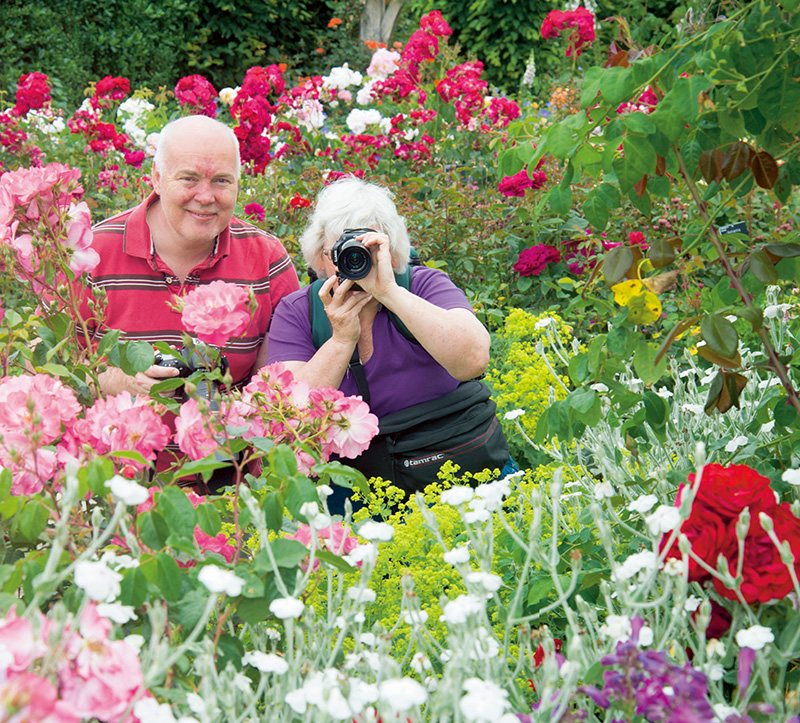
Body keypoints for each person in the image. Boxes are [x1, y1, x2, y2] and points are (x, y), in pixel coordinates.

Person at [80, 115, 300, 477]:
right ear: (156, 177)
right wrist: (120, 381)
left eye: (221, 181)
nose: (206, 196)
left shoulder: (266, 260)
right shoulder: (93, 254)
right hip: (115, 487)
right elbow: (47, 374)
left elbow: (284, 383)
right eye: (189, 179)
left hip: (232, 489)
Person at [266, 177, 510, 501]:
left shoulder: (423, 286)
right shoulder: (298, 311)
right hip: (358, 485)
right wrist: (341, 340)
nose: (354, 263)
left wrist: (390, 293)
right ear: (322, 259)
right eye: (341, 253)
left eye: (366, 251)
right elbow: (289, 416)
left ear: (392, 253)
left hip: (454, 458)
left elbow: (473, 359)